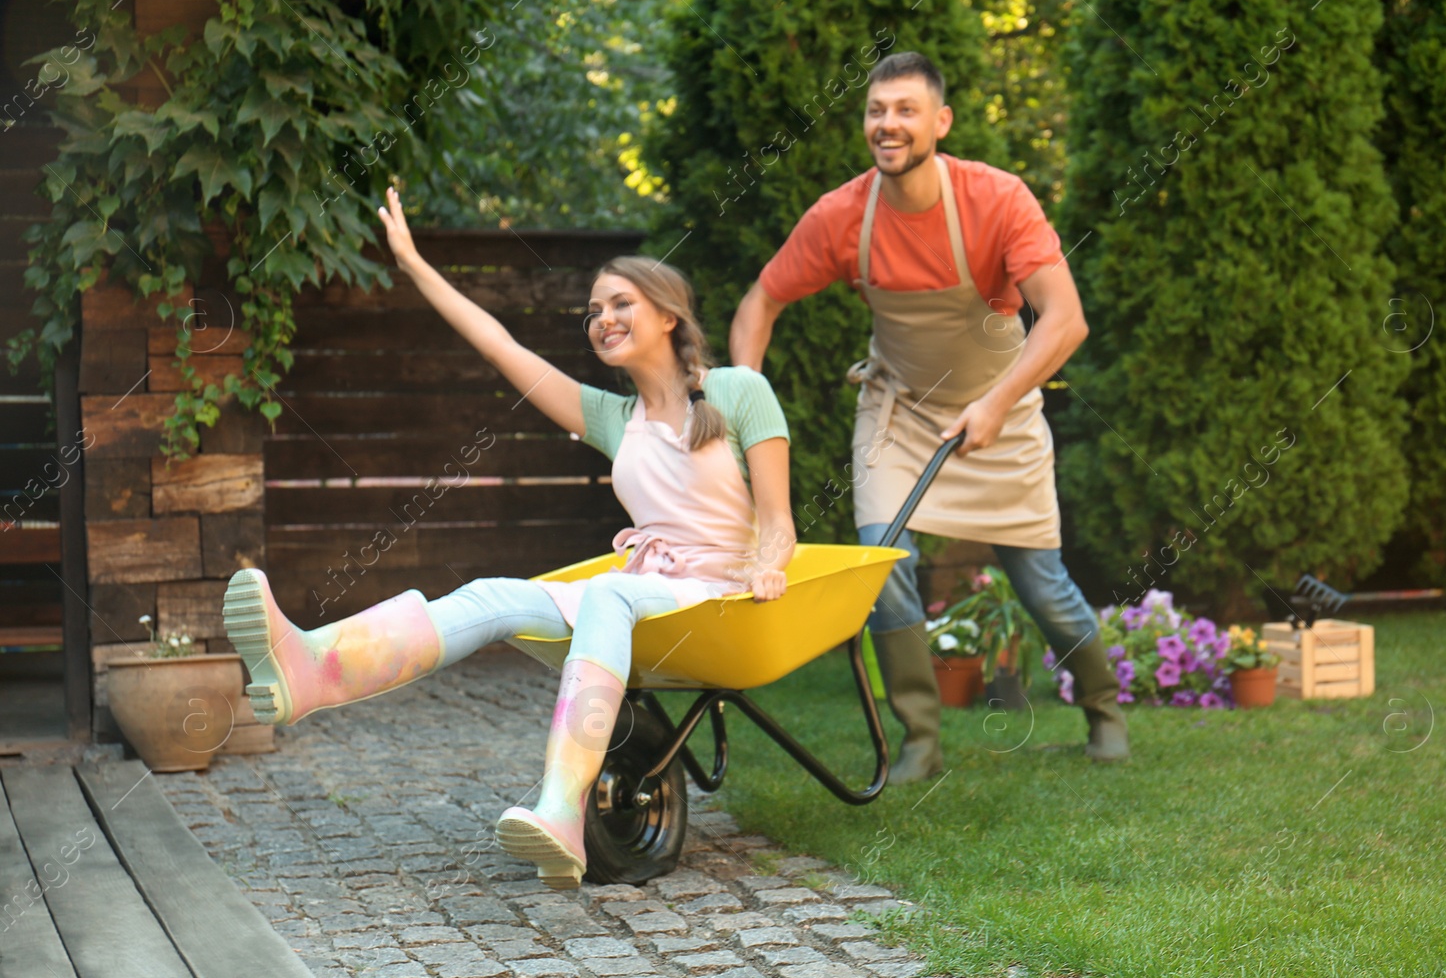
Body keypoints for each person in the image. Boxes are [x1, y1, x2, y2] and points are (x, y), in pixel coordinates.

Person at [222, 185, 794, 889]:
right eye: (592, 310)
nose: (602, 318)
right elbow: (500, 346)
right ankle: (315, 666)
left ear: (669, 314)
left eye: (620, 303)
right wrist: (414, 263)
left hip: (720, 596)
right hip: (649, 591)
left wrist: (769, 566)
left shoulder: (739, 391)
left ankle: (562, 806)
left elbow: (777, 518)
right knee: (493, 595)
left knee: (609, 592)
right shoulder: (616, 418)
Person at [728, 52, 1128, 779]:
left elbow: (1066, 321)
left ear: (940, 122)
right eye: (877, 111)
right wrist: (744, 401)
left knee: (1042, 585)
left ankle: (1102, 706)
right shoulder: (842, 217)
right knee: (884, 561)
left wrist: (995, 403)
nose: (889, 124)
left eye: (906, 110)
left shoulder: (998, 199)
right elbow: (761, 302)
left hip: (1000, 413)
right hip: (900, 412)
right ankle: (919, 737)